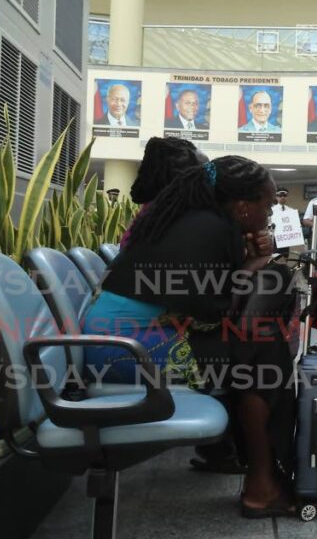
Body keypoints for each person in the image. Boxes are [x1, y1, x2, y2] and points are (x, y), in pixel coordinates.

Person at [84, 156, 298, 517]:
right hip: (124, 353)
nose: (270, 214)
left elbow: (206, 303)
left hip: (117, 344)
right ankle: (262, 486)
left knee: (258, 346)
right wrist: (250, 266)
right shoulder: (207, 228)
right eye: (267, 204)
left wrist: (246, 260)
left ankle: (254, 472)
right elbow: (210, 313)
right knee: (261, 358)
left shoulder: (201, 221)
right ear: (244, 207)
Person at [270, 188, 295, 259]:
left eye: (284, 196)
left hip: (286, 238)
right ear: (276, 197)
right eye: (280, 196)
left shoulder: (291, 211)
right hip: (275, 238)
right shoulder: (272, 210)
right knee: (275, 257)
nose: (282, 197)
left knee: (285, 257)